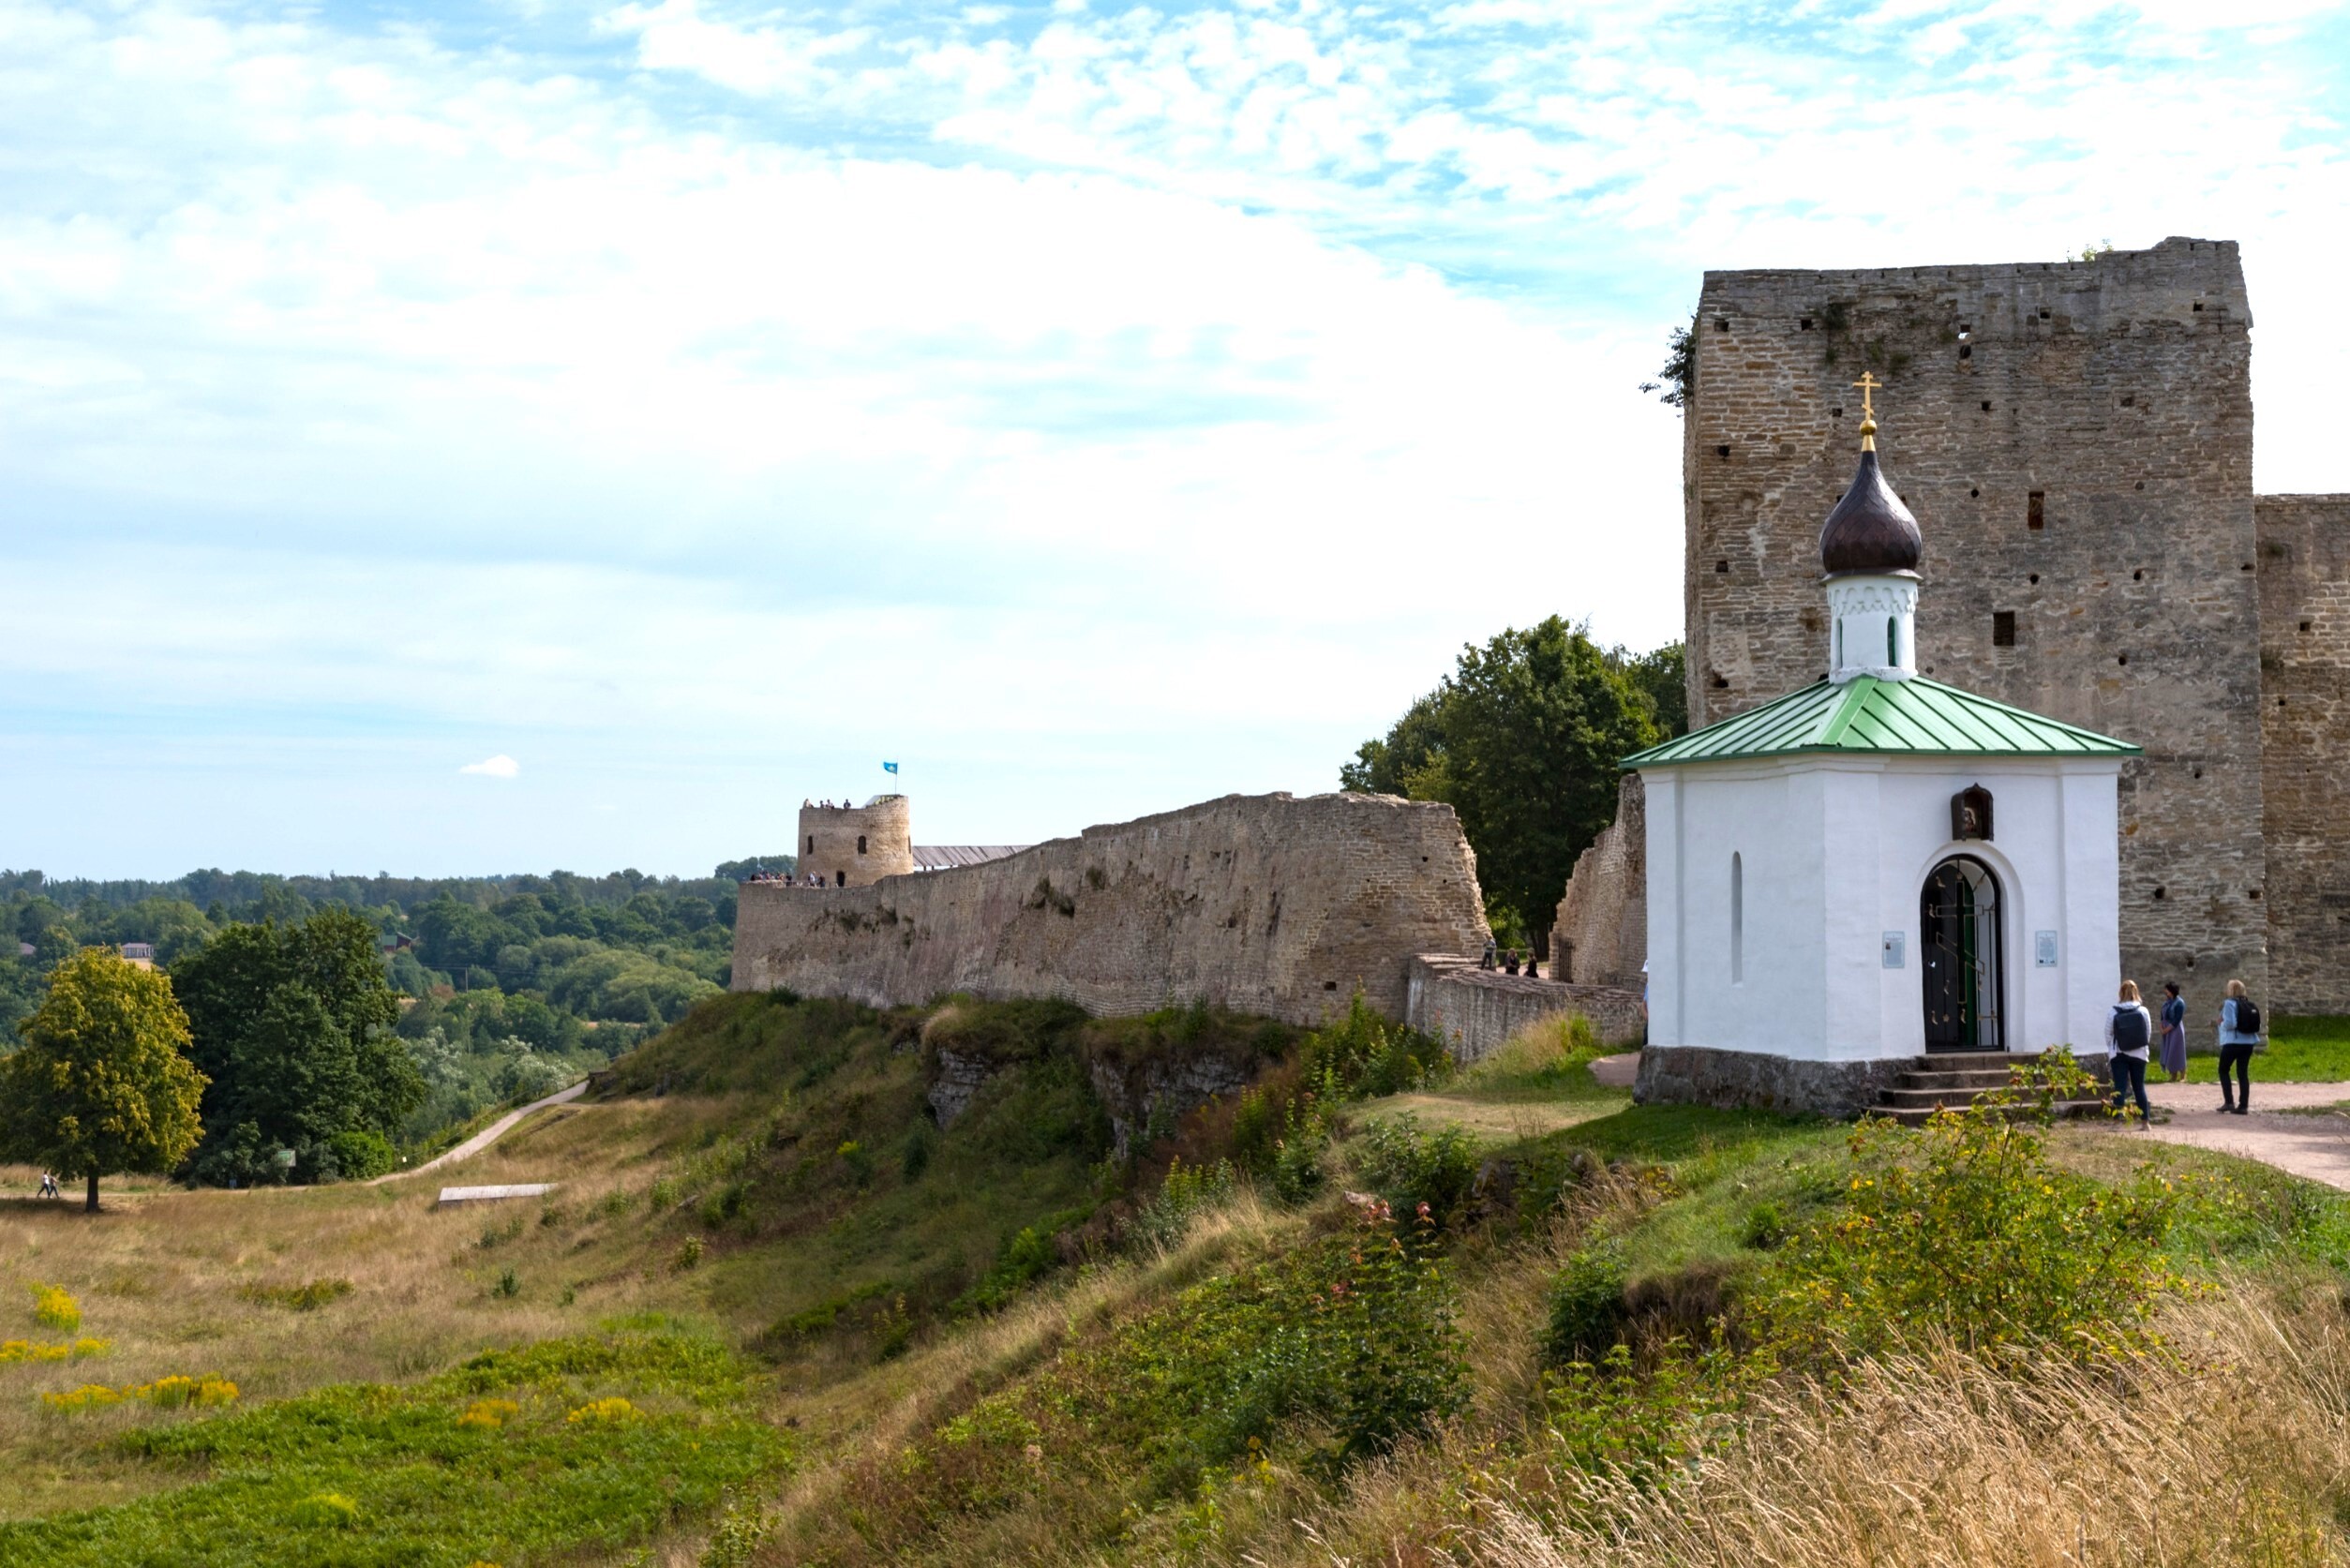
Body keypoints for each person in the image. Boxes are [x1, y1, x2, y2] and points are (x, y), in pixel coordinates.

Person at [2105, 980, 2153, 1128]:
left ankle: (2117, 1122)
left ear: (2121, 993)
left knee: (2119, 1087)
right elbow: (2148, 1032)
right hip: (2139, 1054)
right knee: (2139, 1087)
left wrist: (2113, 1049)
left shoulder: (2113, 1012)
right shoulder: (2143, 1011)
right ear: (2136, 992)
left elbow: (2108, 1034)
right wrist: (2140, 1045)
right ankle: (2145, 1122)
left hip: (2119, 1054)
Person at [2217, 977, 2261, 1114]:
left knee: (2223, 1070)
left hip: (2232, 1042)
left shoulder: (2229, 1003)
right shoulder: (2249, 1004)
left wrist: (2221, 1023)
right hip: (2248, 1042)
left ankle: (2229, 1102)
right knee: (2242, 1073)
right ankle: (2243, 1105)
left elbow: (2230, 1024)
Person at [2158, 982, 2188, 1081]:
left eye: (2167, 989)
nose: (2165, 991)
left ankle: (2182, 1074)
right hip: (2166, 1030)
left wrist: (2166, 1029)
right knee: (2169, 1052)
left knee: (2177, 1051)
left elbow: (2177, 1019)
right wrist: (2161, 1026)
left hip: (2175, 1030)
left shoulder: (2179, 1003)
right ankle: (2173, 1074)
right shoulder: (2167, 1002)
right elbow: (2162, 1015)